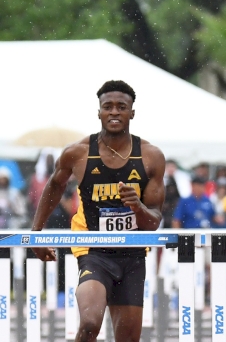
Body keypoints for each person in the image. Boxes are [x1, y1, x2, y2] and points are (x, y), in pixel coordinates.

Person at [30, 80, 165, 342]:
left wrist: (137, 207)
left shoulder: (150, 156)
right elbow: (55, 186)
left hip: (133, 254)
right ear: (99, 112)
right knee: (91, 323)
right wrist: (36, 232)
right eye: (108, 107)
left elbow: (154, 222)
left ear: (132, 113)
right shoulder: (77, 153)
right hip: (93, 251)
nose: (114, 112)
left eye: (121, 107)